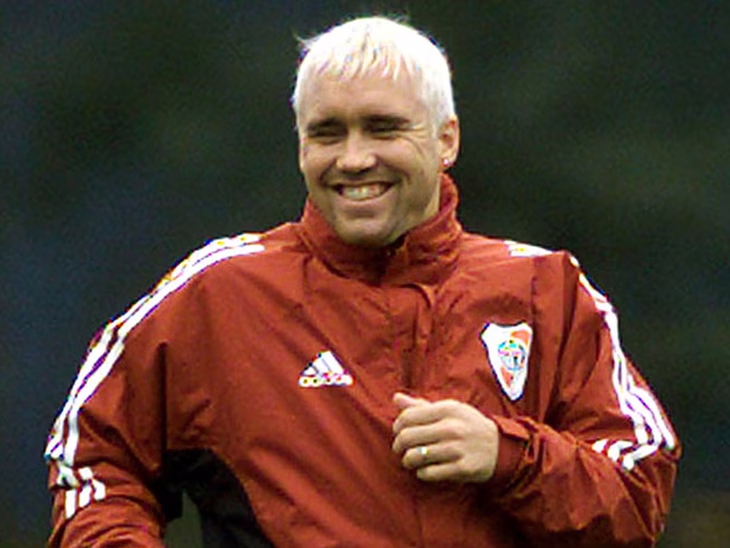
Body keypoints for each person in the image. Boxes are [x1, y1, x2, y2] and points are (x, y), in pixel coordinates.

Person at [45, 15, 680, 547]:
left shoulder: (548, 291)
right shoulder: (216, 293)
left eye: (383, 128)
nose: (353, 159)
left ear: (446, 139)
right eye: (327, 133)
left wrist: (507, 456)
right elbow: (91, 458)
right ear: (301, 147)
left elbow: (637, 495)